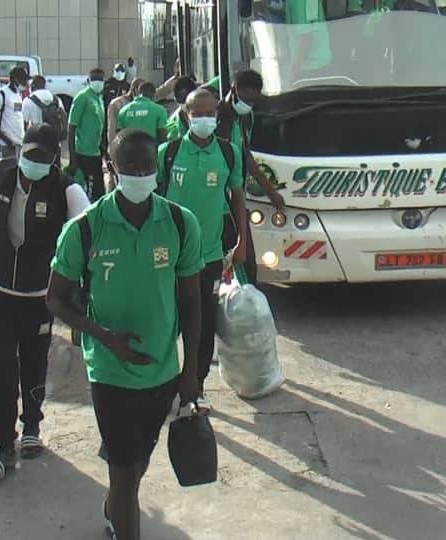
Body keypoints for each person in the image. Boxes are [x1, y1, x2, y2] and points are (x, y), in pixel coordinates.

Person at [46, 128, 203, 540]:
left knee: (136, 465)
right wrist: (104, 336)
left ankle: (116, 502)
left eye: (148, 166)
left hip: (162, 371)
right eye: (130, 167)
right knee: (127, 474)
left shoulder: (179, 224)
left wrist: (190, 375)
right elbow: (56, 300)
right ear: (111, 169)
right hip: (110, 372)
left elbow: (191, 303)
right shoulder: (84, 228)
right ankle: (122, 517)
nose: (140, 174)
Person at [0, 124, 90, 484]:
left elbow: (85, 238)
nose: (32, 162)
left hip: (40, 294)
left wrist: (75, 295)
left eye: (41, 157)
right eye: (28, 153)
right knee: (2, 365)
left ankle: (32, 425)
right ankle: (3, 441)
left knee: (34, 361)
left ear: (54, 159)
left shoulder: (67, 191)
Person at [158, 88, 249, 413]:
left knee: (203, 323)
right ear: (185, 115)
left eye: (210, 113)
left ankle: (196, 387)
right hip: (169, 258)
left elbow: (237, 198)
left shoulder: (228, 154)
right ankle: (168, 385)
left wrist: (242, 242)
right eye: (197, 113)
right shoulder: (167, 153)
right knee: (168, 322)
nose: (204, 118)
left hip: (209, 256)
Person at [217, 70, 287, 284]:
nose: (248, 104)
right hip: (219, 200)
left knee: (246, 263)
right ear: (233, 90)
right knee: (232, 260)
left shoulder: (246, 117)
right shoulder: (217, 116)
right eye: (245, 99)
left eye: (253, 101)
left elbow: (246, 155)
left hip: (236, 195)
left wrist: (271, 191)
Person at [68, 68, 106, 200]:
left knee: (99, 192)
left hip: (96, 153)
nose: (98, 82)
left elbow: (99, 126)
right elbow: (71, 127)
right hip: (83, 154)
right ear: (89, 81)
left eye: (101, 79)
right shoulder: (82, 97)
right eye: (95, 79)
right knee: (86, 193)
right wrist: (73, 159)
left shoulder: (100, 98)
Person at [0, 66, 28, 158]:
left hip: (19, 144)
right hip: (7, 146)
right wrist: (8, 141)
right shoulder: (2, 94)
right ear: (16, 79)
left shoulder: (19, 94)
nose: (26, 82)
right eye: (23, 79)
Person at [106, 78, 144, 150]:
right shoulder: (117, 104)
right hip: (121, 146)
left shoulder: (142, 103)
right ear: (134, 89)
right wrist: (112, 148)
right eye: (141, 92)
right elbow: (112, 129)